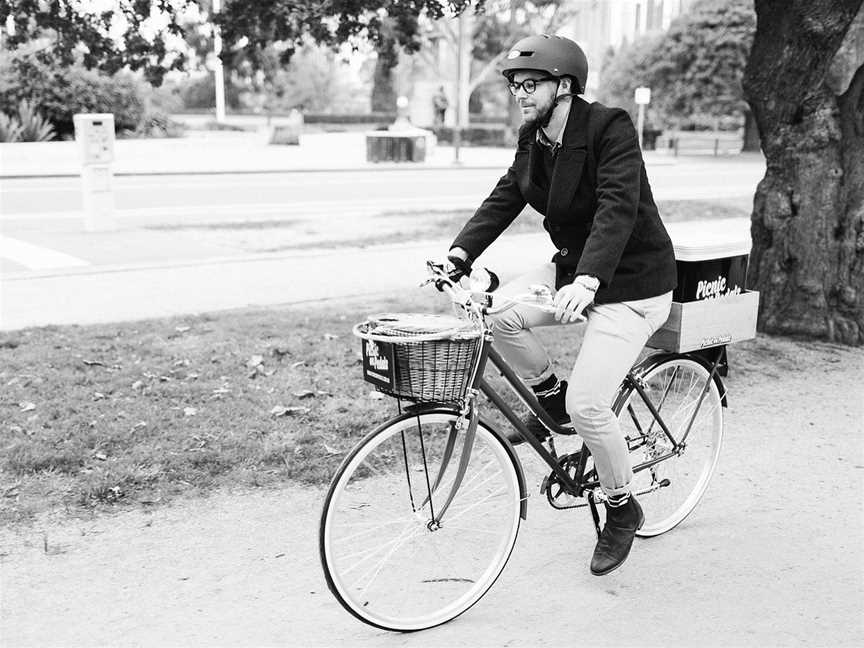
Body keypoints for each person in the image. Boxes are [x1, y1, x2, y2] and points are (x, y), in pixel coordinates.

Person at [445, 34, 678, 577]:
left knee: (591, 406)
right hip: (575, 269)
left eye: (531, 85)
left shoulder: (609, 127)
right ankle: (552, 399)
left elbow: (618, 207)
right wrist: (459, 254)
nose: (520, 94)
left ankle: (622, 507)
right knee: (499, 316)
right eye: (516, 86)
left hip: (633, 282)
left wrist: (590, 280)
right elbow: (505, 196)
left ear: (565, 86)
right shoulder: (534, 138)